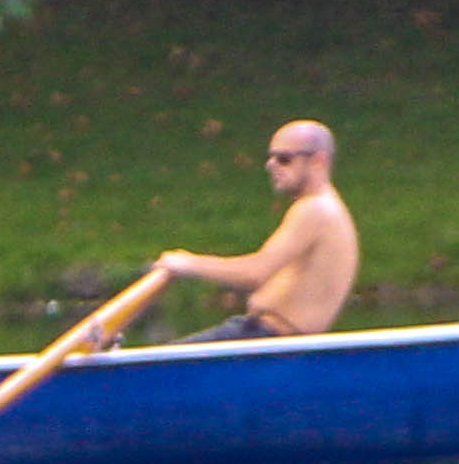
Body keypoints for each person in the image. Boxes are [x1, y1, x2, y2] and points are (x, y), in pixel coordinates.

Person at [148, 121, 360, 342]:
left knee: (150, 373)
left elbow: (256, 273)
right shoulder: (323, 208)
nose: (272, 165)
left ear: (319, 161)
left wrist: (187, 264)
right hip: (265, 337)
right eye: (271, 158)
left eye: (284, 159)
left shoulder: (316, 209)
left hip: (268, 338)